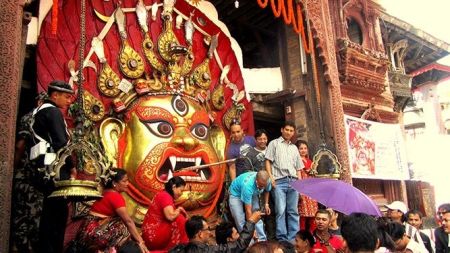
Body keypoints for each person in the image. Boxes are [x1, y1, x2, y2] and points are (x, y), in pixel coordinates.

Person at [33, 81, 74, 253]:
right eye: (66, 97)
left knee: (49, 217)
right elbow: (61, 143)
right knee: (57, 217)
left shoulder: (39, 112)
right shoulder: (52, 112)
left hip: (44, 167)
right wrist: (71, 166)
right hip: (55, 170)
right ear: (54, 95)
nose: (69, 101)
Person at [70, 168, 148, 253]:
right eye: (124, 181)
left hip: (85, 233)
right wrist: (141, 242)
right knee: (122, 226)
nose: (127, 184)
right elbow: (128, 221)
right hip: (94, 235)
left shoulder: (106, 192)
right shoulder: (115, 196)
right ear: (114, 183)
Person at [10, 92, 47, 253]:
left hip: (31, 176)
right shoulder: (33, 119)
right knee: (28, 217)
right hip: (29, 175)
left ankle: (21, 245)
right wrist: (14, 168)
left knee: (25, 216)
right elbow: (20, 145)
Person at [265, 121, 303, 241]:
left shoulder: (294, 148)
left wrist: (300, 185)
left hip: (294, 181)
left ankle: (293, 239)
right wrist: (270, 177)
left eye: (291, 131)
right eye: (287, 130)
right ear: (282, 130)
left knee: (293, 211)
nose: (289, 132)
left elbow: (298, 168)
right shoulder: (274, 143)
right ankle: (282, 239)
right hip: (279, 182)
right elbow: (268, 161)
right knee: (280, 211)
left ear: (293, 133)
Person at [168, 212, 262, 253]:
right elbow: (239, 245)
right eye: (207, 229)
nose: (211, 233)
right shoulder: (208, 251)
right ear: (200, 234)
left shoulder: (177, 249)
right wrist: (251, 221)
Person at [142, 176, 189, 251]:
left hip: (150, 234)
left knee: (180, 217)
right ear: (174, 187)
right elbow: (170, 216)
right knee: (180, 219)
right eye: (181, 190)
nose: (181, 194)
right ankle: (178, 249)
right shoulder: (165, 196)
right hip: (154, 236)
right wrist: (179, 209)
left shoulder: (163, 194)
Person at [228, 170, 271, 241]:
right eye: (260, 186)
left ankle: (262, 241)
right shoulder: (248, 186)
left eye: (263, 186)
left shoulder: (267, 180)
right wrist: (252, 230)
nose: (261, 188)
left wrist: (266, 204)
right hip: (236, 194)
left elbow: (267, 190)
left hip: (252, 192)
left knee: (257, 214)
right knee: (239, 219)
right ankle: (248, 243)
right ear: (256, 181)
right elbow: (248, 211)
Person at [297, 140, 318, 232]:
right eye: (301, 148)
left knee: (313, 214)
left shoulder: (311, 162)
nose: (303, 150)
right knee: (303, 215)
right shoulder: (297, 161)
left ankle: (312, 235)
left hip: (312, 190)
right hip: (303, 189)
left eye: (305, 148)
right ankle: (301, 235)